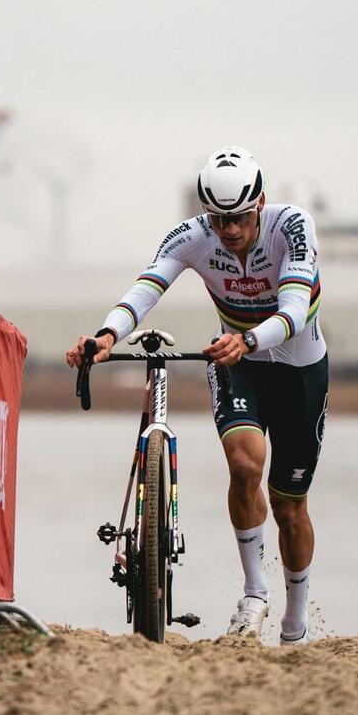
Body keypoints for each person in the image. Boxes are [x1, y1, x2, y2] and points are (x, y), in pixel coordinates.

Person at [66, 147, 327, 646]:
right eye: (219, 218)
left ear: (261, 204)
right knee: (245, 465)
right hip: (238, 365)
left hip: (298, 369)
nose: (229, 229)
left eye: (240, 218)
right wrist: (105, 335)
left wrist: (248, 338)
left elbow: (294, 308)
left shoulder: (292, 226)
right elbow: (147, 287)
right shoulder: (192, 236)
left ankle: (295, 618)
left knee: (289, 507)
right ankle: (254, 593)